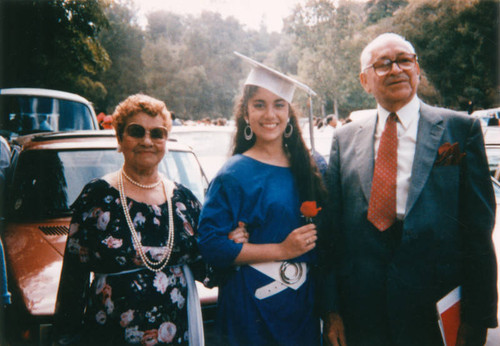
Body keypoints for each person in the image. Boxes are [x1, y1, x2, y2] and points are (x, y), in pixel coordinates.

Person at [320, 32, 497, 346]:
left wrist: (479, 316)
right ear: (364, 80)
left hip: (436, 310)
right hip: (363, 312)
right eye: (383, 64)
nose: (396, 69)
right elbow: (333, 236)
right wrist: (331, 311)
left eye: (404, 60)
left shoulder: (457, 131)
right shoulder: (344, 140)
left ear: (418, 69)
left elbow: (478, 230)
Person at [53, 94, 217, 345]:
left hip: (174, 337)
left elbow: (208, 269)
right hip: (110, 336)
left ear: (166, 141)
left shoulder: (184, 200)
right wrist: (64, 338)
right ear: (119, 139)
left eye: (157, 133)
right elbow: (73, 280)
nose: (147, 141)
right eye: (136, 132)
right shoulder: (97, 196)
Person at [197, 52, 327, 345]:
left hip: (302, 307)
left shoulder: (311, 165)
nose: (270, 115)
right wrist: (281, 250)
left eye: (279, 104)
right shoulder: (233, 174)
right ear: (246, 113)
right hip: (251, 307)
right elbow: (210, 244)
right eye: (259, 105)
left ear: (289, 111)